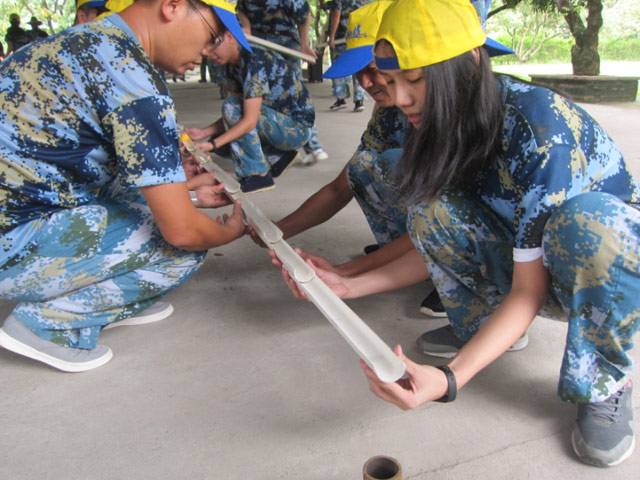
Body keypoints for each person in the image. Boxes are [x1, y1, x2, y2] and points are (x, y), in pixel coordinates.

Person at [274, 0, 640, 469]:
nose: (400, 98)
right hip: (530, 255)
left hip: (598, 272)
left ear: (468, 62)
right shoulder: (438, 120)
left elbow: (529, 290)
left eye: (414, 79)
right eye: (391, 81)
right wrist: (347, 284)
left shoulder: (538, 126)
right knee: (429, 207)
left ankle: (604, 381)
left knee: (588, 222)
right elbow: (432, 235)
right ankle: (485, 328)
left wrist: (449, 379)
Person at [0, 0, 249, 373]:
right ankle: (48, 326)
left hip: (21, 209)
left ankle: (112, 295)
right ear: (172, 6)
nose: (208, 51)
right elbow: (181, 231)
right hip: (12, 242)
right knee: (183, 247)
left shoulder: (77, 42)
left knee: (149, 202)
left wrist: (187, 193)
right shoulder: (135, 82)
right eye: (211, 35)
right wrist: (227, 233)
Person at [185, 12, 315, 194]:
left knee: (225, 132)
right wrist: (204, 132)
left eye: (212, 44)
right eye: (203, 47)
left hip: (297, 129)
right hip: (279, 123)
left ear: (230, 37)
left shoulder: (255, 60)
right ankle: (278, 157)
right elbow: (237, 113)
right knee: (224, 142)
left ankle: (258, 176)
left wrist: (211, 145)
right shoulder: (233, 64)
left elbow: (247, 120)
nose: (206, 52)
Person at [236, 0, 329, 166]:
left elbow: (304, 14)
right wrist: (246, 26)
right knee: (260, 98)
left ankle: (313, 146)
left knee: (296, 97)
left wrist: (304, 43)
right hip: (257, 43)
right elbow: (240, 8)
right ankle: (276, 153)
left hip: (286, 44)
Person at [327, 0, 366, 112]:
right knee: (358, 68)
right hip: (358, 38)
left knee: (339, 67)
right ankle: (359, 100)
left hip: (341, 38)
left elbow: (336, 14)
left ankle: (341, 99)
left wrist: (332, 36)